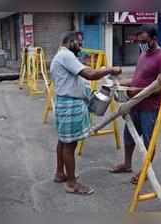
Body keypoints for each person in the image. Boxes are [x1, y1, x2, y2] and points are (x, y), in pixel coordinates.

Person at [50, 31, 122, 195]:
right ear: (70, 41)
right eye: (79, 42)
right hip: (70, 104)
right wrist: (110, 69)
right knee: (70, 144)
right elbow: (90, 74)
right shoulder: (65, 55)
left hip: (66, 103)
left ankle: (60, 173)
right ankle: (71, 183)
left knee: (63, 141)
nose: (81, 45)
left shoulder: (64, 56)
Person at [109, 25, 161, 185]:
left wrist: (137, 91)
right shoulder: (143, 54)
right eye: (138, 41)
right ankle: (127, 164)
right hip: (134, 104)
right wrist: (123, 84)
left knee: (148, 141)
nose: (141, 44)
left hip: (149, 107)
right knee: (129, 135)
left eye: (144, 41)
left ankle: (145, 170)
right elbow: (139, 78)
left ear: (154, 39)